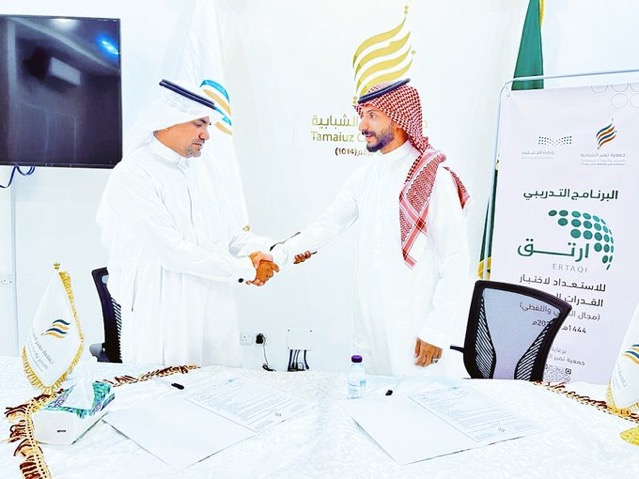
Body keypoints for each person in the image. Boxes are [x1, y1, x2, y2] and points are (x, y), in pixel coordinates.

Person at [274, 79, 471, 376]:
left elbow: (456, 258)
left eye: (372, 116)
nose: (362, 125)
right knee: (373, 397)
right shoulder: (365, 177)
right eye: (362, 115)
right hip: (371, 324)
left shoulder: (434, 178)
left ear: (399, 119)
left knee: (414, 402)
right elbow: (329, 224)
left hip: (415, 327)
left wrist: (437, 329)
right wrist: (280, 253)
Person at [96, 79, 279, 367]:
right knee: (166, 389)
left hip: (215, 303)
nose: (206, 135)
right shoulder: (133, 174)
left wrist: (277, 250)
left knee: (223, 387)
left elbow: (230, 236)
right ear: (168, 119)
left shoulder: (205, 170)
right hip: (164, 312)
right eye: (199, 124)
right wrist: (246, 268)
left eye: (208, 125)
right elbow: (171, 252)